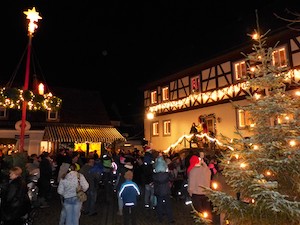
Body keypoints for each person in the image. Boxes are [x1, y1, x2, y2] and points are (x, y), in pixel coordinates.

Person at [153, 155, 175, 224]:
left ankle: (160, 218)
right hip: (166, 191)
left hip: (158, 191)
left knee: (159, 204)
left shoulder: (155, 174)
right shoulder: (166, 174)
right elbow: (172, 178)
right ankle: (170, 219)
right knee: (168, 204)